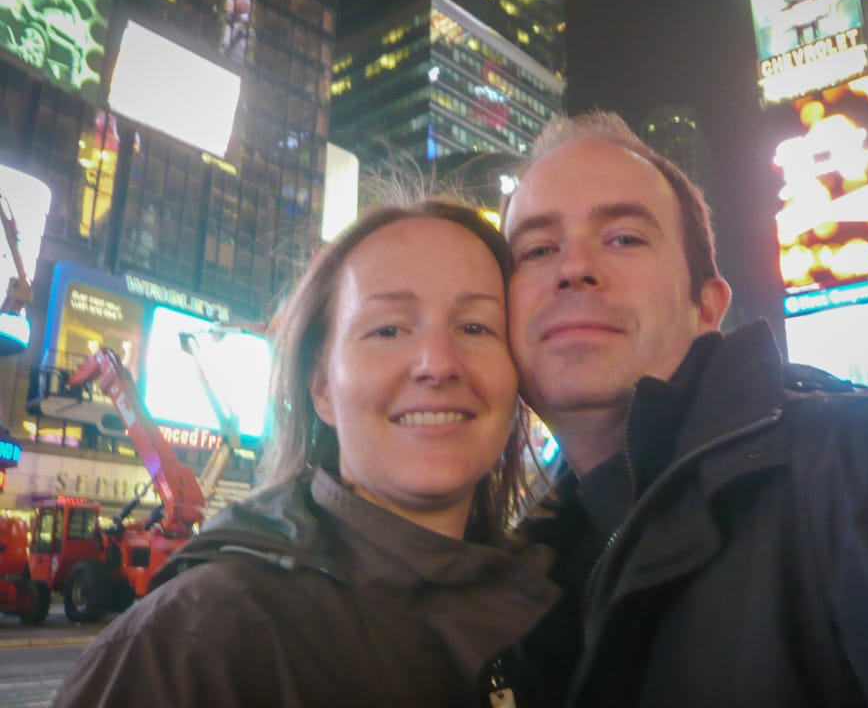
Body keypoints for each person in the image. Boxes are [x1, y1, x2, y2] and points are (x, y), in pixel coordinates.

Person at [502, 111, 868, 708]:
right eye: (538, 249)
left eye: (624, 238)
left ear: (708, 306)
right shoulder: (513, 577)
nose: (573, 268)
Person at [52, 196, 559, 707]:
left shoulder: (547, 618)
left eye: (475, 327)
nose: (437, 363)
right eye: (389, 329)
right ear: (321, 385)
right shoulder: (185, 649)